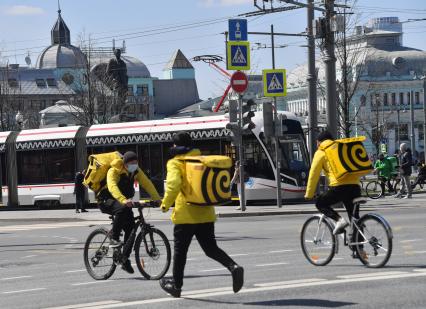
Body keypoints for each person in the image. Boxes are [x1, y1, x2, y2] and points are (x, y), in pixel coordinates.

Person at [159, 132, 244, 298]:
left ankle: (176, 286)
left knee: (180, 252)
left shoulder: (175, 162)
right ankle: (233, 267)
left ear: (175, 146)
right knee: (211, 248)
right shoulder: (201, 159)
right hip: (205, 213)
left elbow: (173, 184)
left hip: (185, 215)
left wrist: (165, 204)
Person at [97, 151, 161, 274]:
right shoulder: (114, 170)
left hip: (124, 202)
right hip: (106, 200)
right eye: (131, 163)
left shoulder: (136, 171)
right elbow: (112, 186)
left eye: (136, 163)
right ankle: (114, 239)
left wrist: (157, 198)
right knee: (121, 209)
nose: (134, 165)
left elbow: (147, 183)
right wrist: (123, 200)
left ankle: (124, 260)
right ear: (125, 164)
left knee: (131, 229)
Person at [304, 131, 363, 235]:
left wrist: (309, 194)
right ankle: (360, 248)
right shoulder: (341, 147)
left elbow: (313, 174)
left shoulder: (321, 152)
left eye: (317, 142)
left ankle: (339, 220)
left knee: (320, 203)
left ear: (319, 142)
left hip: (339, 187)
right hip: (355, 186)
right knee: (355, 219)